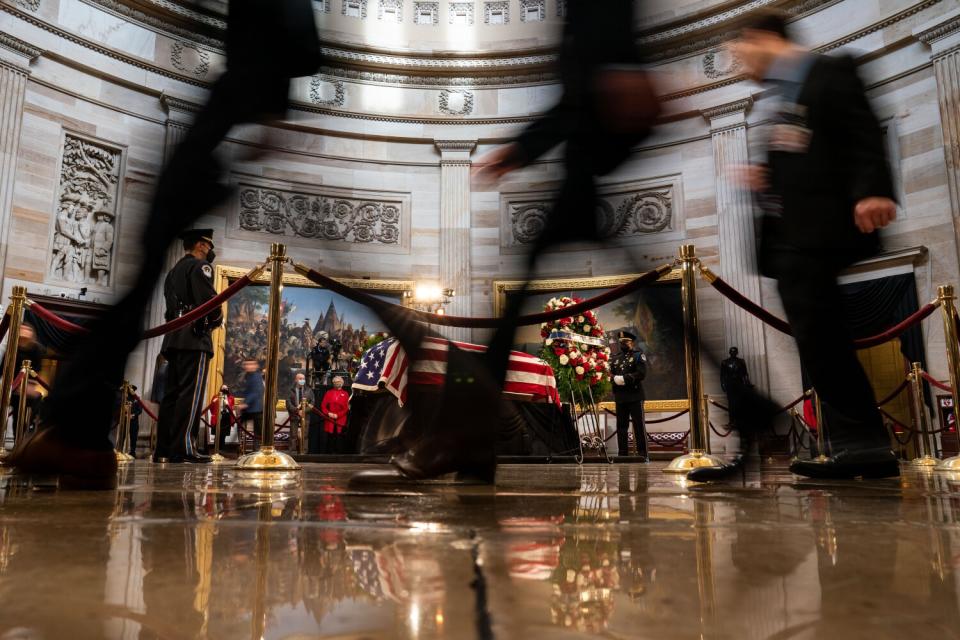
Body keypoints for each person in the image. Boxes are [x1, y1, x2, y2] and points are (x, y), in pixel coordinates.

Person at [13, 0, 322, 487]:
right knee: (138, 289)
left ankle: (75, 429)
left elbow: (293, 36)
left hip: (227, 113)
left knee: (138, 284)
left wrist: (274, 110)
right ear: (203, 248)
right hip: (228, 116)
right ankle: (78, 431)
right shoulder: (195, 268)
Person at [352, 0, 660, 486]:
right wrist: (522, 149)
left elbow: (594, 79)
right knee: (539, 290)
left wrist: (527, 146)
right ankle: (469, 442)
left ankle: (463, 438)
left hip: (593, 148)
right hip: (585, 151)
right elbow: (577, 94)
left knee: (538, 292)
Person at [688, 11, 898, 481]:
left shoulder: (829, 72)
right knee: (822, 342)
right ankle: (859, 443)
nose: (740, 66)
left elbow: (862, 131)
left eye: (740, 54)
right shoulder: (780, 97)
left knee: (824, 342)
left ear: (764, 38)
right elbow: (804, 152)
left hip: (820, 232)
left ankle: (862, 444)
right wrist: (767, 177)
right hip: (793, 239)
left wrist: (872, 188)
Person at [153, 229, 222, 464]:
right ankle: (184, 447)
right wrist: (215, 322)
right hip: (194, 336)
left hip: (173, 336)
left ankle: (163, 449)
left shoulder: (172, 273)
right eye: (208, 246)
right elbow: (210, 302)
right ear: (201, 245)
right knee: (190, 395)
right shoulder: (200, 267)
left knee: (171, 394)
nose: (210, 252)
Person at [610, 331, 648, 460]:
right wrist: (613, 379)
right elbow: (611, 375)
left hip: (635, 396)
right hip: (620, 397)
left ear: (631, 342)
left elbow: (641, 374)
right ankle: (622, 454)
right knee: (621, 426)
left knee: (638, 425)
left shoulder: (638, 356)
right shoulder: (615, 358)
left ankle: (642, 453)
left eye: (625, 341)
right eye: (621, 342)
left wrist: (623, 379)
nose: (623, 344)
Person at [5, 322, 45, 439]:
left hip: (29, 386)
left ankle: (30, 430)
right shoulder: (13, 347)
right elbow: (4, 367)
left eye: (27, 329)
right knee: (18, 417)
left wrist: (29, 383)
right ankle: (17, 442)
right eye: (22, 329)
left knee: (37, 402)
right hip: (14, 387)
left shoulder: (37, 349)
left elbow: (37, 369)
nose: (24, 331)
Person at [720, 347, 751, 427]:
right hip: (730, 384)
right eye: (732, 351)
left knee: (740, 402)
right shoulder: (725, 362)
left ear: (737, 352)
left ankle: (740, 420)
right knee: (731, 404)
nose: (733, 353)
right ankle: (732, 421)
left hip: (739, 383)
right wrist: (723, 385)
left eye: (735, 351)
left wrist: (747, 383)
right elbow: (722, 375)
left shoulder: (741, 361)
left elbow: (745, 374)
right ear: (729, 352)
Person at [285, 371, 316, 453]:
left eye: (303, 379)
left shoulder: (309, 390)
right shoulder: (290, 390)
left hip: (305, 415)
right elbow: (288, 403)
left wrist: (304, 411)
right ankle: (292, 451)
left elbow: (312, 403)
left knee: (305, 435)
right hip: (294, 415)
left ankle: (304, 451)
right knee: (293, 435)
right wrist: (296, 411)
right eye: (300, 378)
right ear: (296, 380)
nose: (302, 380)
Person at [237, 358, 265, 449]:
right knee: (240, 428)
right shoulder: (247, 376)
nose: (248, 366)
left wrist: (245, 403)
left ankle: (256, 450)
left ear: (256, 365)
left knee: (257, 433)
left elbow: (255, 392)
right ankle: (241, 447)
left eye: (251, 364)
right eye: (246, 364)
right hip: (250, 408)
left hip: (256, 408)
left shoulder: (256, 376)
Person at [320, 376, 349, 454]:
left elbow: (346, 408)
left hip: (341, 418)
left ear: (342, 383)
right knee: (330, 437)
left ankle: (339, 454)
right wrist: (328, 413)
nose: (337, 383)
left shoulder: (345, 394)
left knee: (339, 437)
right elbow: (323, 406)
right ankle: (330, 454)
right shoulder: (329, 392)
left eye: (338, 382)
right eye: (335, 382)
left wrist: (338, 415)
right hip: (330, 418)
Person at [127, 385, 143, 457]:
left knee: (133, 437)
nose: (131, 391)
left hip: (134, 420)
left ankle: (132, 452)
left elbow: (140, 410)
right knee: (123, 435)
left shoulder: (137, 399)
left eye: (132, 390)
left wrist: (133, 415)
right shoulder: (125, 398)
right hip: (125, 420)